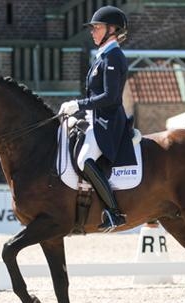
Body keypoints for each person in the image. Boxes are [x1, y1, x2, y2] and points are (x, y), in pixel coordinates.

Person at [58, 5, 129, 232]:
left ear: (111, 30)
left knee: (83, 160)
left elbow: (110, 97)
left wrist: (78, 104)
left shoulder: (114, 57)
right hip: (95, 118)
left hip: (107, 122)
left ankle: (114, 212)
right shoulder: (102, 56)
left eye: (96, 27)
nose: (92, 31)